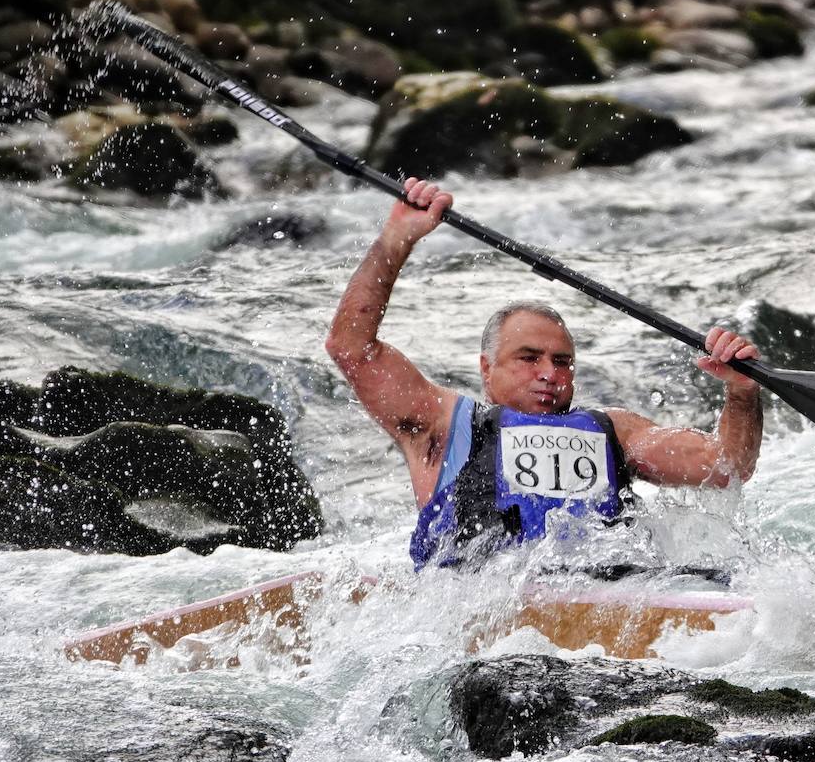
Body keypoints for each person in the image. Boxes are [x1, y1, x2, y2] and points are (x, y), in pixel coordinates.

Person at [326, 177, 765, 570]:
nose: (548, 373)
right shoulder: (444, 425)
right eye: (528, 357)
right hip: (480, 611)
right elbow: (351, 347)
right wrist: (397, 239)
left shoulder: (617, 432)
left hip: (608, 605)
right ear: (487, 368)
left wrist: (742, 391)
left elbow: (727, 467)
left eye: (561, 362)